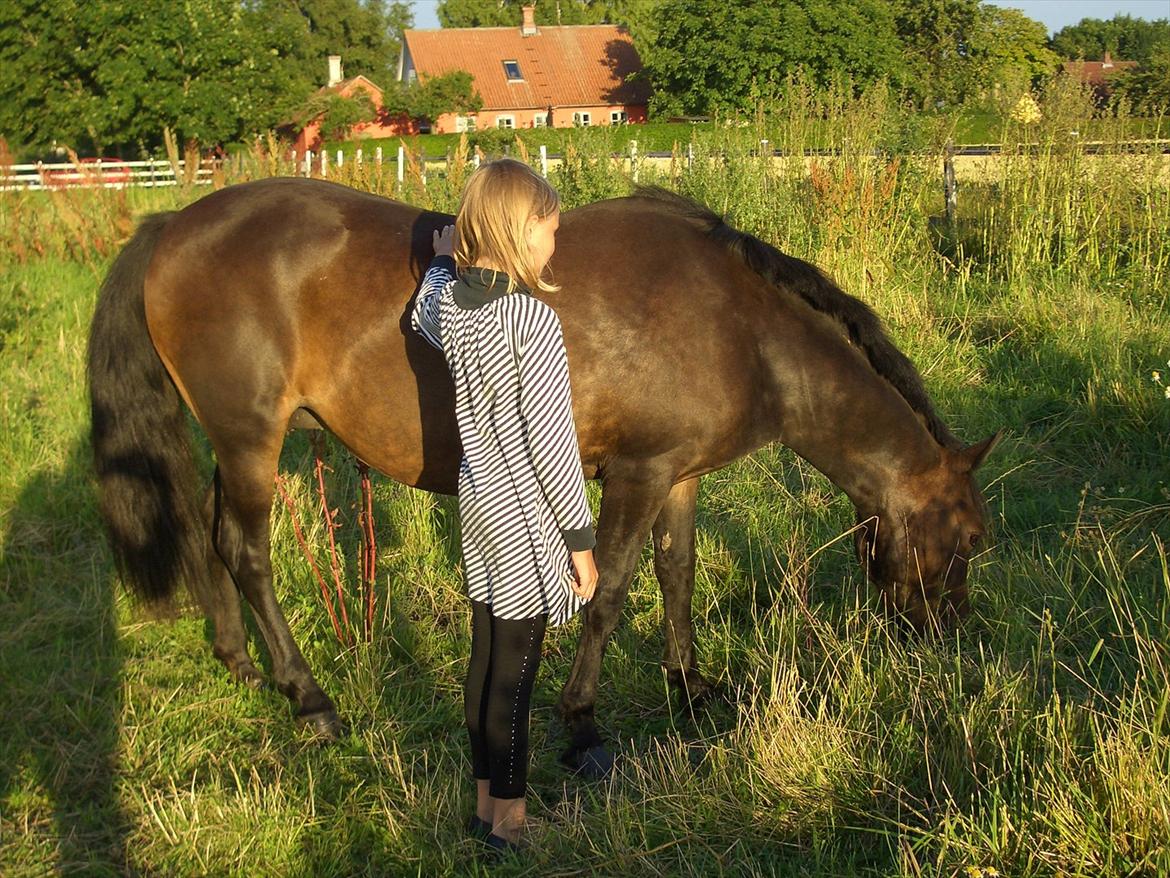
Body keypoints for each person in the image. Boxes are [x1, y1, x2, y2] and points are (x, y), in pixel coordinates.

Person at [409, 158, 599, 853]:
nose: (555, 241)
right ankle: (511, 828)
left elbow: (423, 315)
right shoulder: (532, 323)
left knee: (485, 661)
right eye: (549, 228)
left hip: (478, 508)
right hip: (524, 520)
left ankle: (485, 805)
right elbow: (553, 447)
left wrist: (437, 264)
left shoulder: (455, 307)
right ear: (520, 234)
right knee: (515, 681)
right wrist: (581, 542)